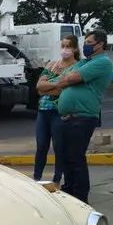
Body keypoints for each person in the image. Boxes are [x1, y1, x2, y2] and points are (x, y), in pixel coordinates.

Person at [51, 30, 113, 204]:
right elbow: (62, 79)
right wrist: (66, 79)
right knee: (65, 157)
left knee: (75, 157)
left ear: (100, 44)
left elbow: (71, 78)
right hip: (67, 117)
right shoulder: (85, 62)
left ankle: (80, 197)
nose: (85, 46)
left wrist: (66, 79)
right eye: (85, 42)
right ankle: (68, 191)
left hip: (83, 117)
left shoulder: (102, 62)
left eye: (89, 42)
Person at [34, 35, 81, 184]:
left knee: (59, 147)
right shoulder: (52, 65)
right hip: (43, 110)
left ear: (75, 49)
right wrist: (57, 84)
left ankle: (57, 179)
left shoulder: (77, 67)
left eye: (68, 46)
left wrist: (49, 87)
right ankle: (36, 178)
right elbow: (39, 87)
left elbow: (66, 89)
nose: (65, 49)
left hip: (60, 112)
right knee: (41, 146)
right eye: (63, 46)